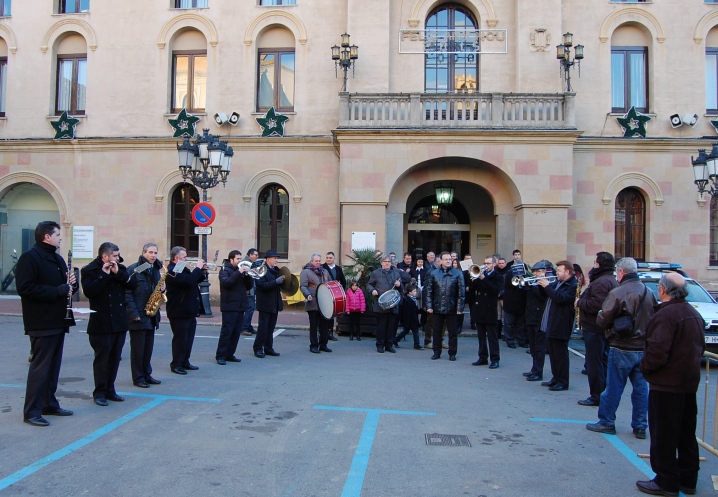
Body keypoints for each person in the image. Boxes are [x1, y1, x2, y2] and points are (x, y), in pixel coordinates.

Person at [636, 273, 705, 497]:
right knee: (685, 433)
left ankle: (666, 481)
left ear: (663, 290)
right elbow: (699, 348)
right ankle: (688, 478)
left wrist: (646, 368)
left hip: (667, 384)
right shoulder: (692, 313)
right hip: (687, 383)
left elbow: (657, 351)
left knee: (664, 434)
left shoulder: (667, 315)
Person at [16, 221, 77, 426]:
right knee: (40, 368)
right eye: (57, 234)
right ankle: (31, 411)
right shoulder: (30, 258)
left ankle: (49, 404)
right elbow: (26, 288)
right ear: (46, 237)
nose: (61, 237)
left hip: (58, 319)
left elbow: (63, 288)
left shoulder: (57, 258)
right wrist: (57, 291)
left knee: (53, 367)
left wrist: (70, 287)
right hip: (41, 321)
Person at [587, 257, 657, 436]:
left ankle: (607, 421)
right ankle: (640, 425)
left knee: (613, 387)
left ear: (622, 272)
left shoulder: (619, 292)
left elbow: (602, 319)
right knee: (641, 389)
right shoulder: (649, 292)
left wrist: (603, 315)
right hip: (642, 347)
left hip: (622, 345)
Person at [81, 242, 137, 406]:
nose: (117, 258)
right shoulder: (89, 270)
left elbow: (132, 285)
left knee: (114, 358)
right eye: (114, 255)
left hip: (119, 321)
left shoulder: (120, 268)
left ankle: (110, 389)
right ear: (104, 256)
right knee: (102, 359)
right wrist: (104, 275)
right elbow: (90, 292)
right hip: (101, 322)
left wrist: (118, 273)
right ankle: (99, 392)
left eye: (118, 255)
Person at [575, 252, 617, 406]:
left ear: (599, 264)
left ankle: (596, 395)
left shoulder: (601, 282)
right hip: (602, 328)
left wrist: (580, 302)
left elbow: (596, 305)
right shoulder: (610, 279)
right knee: (602, 362)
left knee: (595, 363)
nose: (593, 265)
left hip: (595, 327)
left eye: (595, 262)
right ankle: (602, 392)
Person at [125, 242, 164, 388]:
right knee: (138, 350)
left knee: (148, 348)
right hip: (139, 314)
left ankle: (147, 374)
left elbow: (154, 288)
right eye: (150, 252)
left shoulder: (155, 269)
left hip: (151, 313)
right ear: (143, 253)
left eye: (155, 253)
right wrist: (133, 312)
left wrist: (162, 291)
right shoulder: (136, 269)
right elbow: (127, 292)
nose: (153, 255)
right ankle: (138, 377)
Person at [537, 260, 578, 391]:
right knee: (553, 354)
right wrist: (541, 283)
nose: (557, 273)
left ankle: (563, 381)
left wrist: (547, 286)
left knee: (561, 355)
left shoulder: (572, 285)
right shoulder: (559, 282)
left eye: (559, 270)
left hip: (562, 323)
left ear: (567, 272)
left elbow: (560, 299)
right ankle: (555, 378)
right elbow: (546, 294)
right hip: (552, 322)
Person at [165, 246, 206, 375]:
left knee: (189, 338)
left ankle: (185, 361)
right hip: (179, 310)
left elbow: (195, 280)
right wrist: (198, 268)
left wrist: (203, 271)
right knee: (180, 339)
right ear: (176, 258)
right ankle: (176, 364)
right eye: (184, 256)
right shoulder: (172, 270)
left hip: (189, 310)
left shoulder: (183, 268)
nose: (186, 258)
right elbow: (188, 281)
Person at [425, 252, 465, 361]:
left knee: (452, 333)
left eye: (449, 259)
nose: (448, 261)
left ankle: (452, 353)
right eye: (445, 259)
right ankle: (436, 352)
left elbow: (461, 293)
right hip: (437, 307)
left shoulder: (458, 273)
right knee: (437, 331)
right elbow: (429, 291)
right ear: (441, 261)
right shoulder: (434, 273)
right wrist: (429, 306)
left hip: (452, 308)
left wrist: (459, 308)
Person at [216, 250, 253, 365]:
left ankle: (230, 354)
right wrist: (239, 272)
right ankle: (221, 355)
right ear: (231, 259)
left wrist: (247, 276)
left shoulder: (240, 272)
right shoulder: (224, 271)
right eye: (237, 259)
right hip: (229, 306)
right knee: (227, 332)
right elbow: (227, 283)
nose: (240, 261)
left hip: (240, 305)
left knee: (236, 332)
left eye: (240, 259)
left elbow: (249, 286)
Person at [367, 254, 403, 353]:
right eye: (385, 262)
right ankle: (380, 345)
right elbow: (369, 284)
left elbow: (401, 288)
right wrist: (372, 290)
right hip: (380, 305)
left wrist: (399, 285)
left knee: (391, 327)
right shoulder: (375, 273)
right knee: (381, 326)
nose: (387, 264)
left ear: (391, 263)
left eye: (389, 262)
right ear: (381, 263)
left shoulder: (396, 273)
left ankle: (389, 345)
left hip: (392, 305)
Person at [470, 255, 503, 368]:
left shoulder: (498, 276)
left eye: (488, 263)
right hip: (480, 309)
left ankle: (495, 359)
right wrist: (473, 280)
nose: (485, 265)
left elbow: (495, 291)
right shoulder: (480, 275)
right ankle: (482, 357)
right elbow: (472, 290)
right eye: (485, 263)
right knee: (481, 337)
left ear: (494, 264)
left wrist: (484, 278)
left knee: (492, 337)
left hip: (490, 309)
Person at [253, 249, 284, 358]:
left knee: (271, 327)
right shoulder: (262, 269)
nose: (276, 260)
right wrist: (275, 282)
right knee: (263, 327)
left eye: (276, 258)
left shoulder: (276, 270)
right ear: (268, 259)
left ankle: (268, 347)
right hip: (265, 303)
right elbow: (261, 285)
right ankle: (258, 348)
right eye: (274, 258)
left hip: (274, 302)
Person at [522, 261, 549, 381]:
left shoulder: (547, 283)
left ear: (544, 272)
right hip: (530, 316)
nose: (535, 273)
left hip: (539, 317)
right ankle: (534, 369)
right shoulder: (533, 282)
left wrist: (536, 285)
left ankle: (538, 372)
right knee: (532, 346)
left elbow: (542, 297)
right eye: (534, 271)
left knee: (539, 347)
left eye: (538, 271)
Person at [301, 253, 332, 353]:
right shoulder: (306, 272)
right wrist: (307, 295)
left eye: (319, 261)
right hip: (313, 301)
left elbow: (330, 283)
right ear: (311, 261)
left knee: (324, 325)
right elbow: (303, 286)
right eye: (316, 261)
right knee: (313, 325)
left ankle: (323, 344)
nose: (318, 263)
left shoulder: (325, 271)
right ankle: (313, 345)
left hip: (324, 302)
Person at [501, 258, 529, 348]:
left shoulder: (525, 275)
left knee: (520, 324)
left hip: (521, 303)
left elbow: (526, 287)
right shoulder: (509, 274)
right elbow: (511, 284)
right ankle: (509, 340)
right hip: (511, 303)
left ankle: (521, 340)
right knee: (509, 324)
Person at [322, 251, 346, 341]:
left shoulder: (338, 269)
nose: (328, 259)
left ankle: (330, 333)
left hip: (334, 296)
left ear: (334, 259)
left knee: (331, 315)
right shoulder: (322, 267)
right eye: (327, 257)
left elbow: (343, 281)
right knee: (324, 315)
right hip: (324, 294)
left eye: (330, 258)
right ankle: (323, 333)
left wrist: (340, 291)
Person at [394, 284, 422, 349]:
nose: (416, 292)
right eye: (414, 291)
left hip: (411, 319)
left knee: (406, 331)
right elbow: (408, 313)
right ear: (410, 292)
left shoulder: (411, 299)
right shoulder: (408, 301)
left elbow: (414, 310)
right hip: (411, 320)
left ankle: (395, 340)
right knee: (415, 331)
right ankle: (416, 344)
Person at [240, 248, 259, 336]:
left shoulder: (251, 263)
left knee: (250, 308)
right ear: (250, 255)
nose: (257, 256)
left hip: (251, 288)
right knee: (250, 308)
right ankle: (244, 327)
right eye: (255, 255)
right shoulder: (245, 263)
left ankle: (248, 326)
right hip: (248, 290)